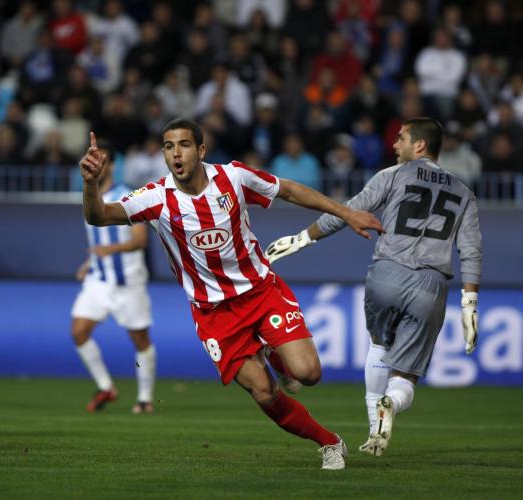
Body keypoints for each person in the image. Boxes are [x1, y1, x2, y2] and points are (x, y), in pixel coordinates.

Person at [80, 118, 384, 470]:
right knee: (264, 392)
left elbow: (287, 190)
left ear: (201, 150)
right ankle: (329, 443)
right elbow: (99, 216)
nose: (176, 153)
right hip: (214, 314)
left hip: (260, 292)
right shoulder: (156, 197)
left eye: (184, 145)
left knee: (308, 373)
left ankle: (273, 352)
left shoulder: (233, 177)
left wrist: (346, 213)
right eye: (168, 146)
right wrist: (90, 183)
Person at [265, 117, 482, 456]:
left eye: (401, 138)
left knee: (379, 344)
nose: (394, 144)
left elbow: (347, 211)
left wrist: (303, 238)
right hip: (431, 283)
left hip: (386, 275)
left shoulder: (392, 175)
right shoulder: (463, 192)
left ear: (420, 145)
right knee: (405, 376)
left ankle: (374, 431)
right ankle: (390, 402)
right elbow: (471, 250)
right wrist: (469, 302)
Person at [72, 140, 156, 414]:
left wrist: (111, 250)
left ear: (112, 164)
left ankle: (144, 398)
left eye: (103, 158)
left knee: (140, 340)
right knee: (79, 332)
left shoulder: (127, 197)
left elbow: (140, 240)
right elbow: (98, 240)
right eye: (94, 158)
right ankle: (106, 387)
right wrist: (90, 262)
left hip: (128, 282)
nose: (98, 163)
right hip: (98, 280)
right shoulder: (89, 196)